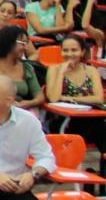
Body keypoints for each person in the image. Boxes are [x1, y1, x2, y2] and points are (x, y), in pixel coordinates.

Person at [44, 36, 105, 169]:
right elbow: (53, 98)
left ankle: (102, 179)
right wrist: (61, 73)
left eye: (74, 50)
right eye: (65, 50)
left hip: (91, 120)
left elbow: (99, 98)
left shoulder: (91, 71)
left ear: (82, 52)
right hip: (65, 121)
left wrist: (71, 98)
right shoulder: (54, 69)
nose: (69, 54)